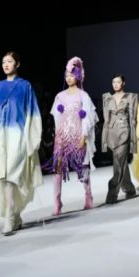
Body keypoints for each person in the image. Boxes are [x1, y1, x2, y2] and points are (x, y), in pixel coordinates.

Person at [0, 52, 42, 235]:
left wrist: (33, 137)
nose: (6, 64)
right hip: (1, 135)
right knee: (3, 176)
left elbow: (32, 111)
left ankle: (10, 215)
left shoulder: (25, 86)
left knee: (12, 174)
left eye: (9, 61)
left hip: (18, 135)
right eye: (3, 62)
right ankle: (14, 214)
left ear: (17, 64)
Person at [43, 57, 98, 214]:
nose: (68, 78)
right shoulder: (60, 96)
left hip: (78, 135)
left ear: (78, 76)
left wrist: (84, 136)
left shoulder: (83, 95)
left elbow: (87, 117)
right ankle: (57, 202)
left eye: (72, 75)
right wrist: (58, 136)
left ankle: (88, 197)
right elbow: (56, 117)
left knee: (83, 167)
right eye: (66, 75)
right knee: (57, 168)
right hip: (62, 137)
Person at [101, 74, 137, 203]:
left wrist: (133, 139)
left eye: (118, 82)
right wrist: (104, 138)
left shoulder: (131, 97)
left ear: (123, 83)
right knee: (120, 162)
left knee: (119, 162)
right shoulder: (107, 98)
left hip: (124, 132)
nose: (115, 84)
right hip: (112, 133)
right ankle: (129, 188)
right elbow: (106, 119)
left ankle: (112, 193)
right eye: (113, 82)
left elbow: (133, 119)